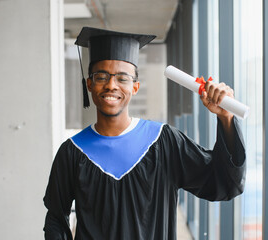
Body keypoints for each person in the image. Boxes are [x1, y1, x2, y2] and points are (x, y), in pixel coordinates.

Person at [43, 26, 246, 240]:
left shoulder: (164, 141)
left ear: (135, 87)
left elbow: (225, 182)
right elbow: (56, 218)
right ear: (90, 84)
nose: (111, 85)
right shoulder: (72, 152)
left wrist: (226, 117)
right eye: (102, 77)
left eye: (122, 78)